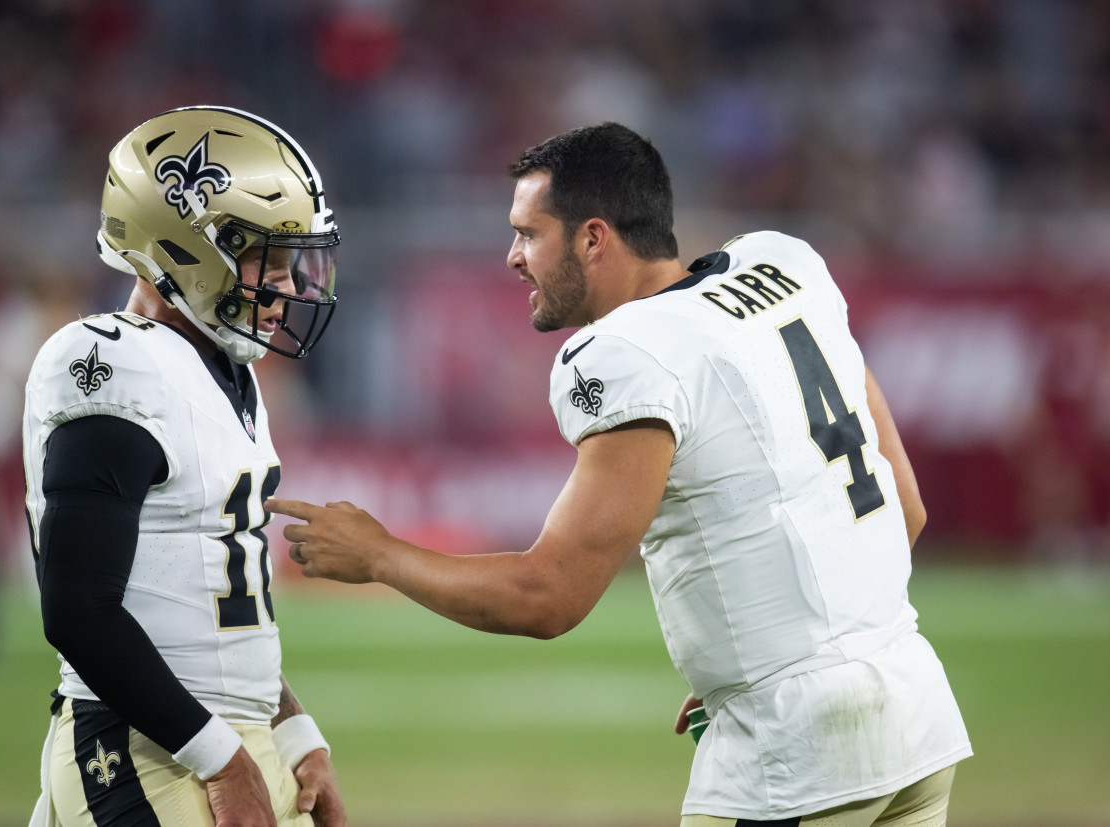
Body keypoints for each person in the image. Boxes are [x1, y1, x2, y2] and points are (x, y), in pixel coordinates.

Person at [266, 122, 972, 826]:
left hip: (797, 757)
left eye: (528, 233)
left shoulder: (626, 351)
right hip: (917, 717)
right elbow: (902, 510)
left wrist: (381, 554)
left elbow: (547, 595)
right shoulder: (784, 265)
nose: (512, 257)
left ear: (594, 238)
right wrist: (771, 650)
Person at [23, 106, 347, 827]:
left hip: (212, 739)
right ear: (188, 249)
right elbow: (78, 609)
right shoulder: (110, 361)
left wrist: (291, 731)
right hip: (148, 748)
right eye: (270, 257)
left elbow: (211, 611)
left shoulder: (229, 372)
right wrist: (225, 759)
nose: (291, 287)